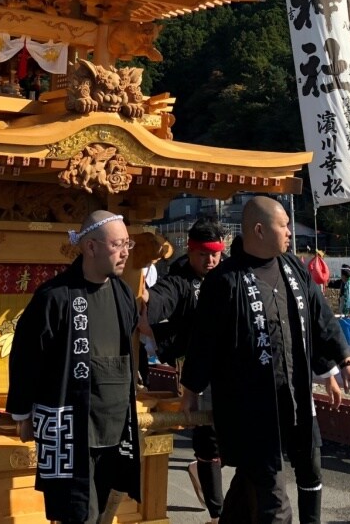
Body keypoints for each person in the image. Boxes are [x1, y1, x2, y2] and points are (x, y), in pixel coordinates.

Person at [181, 197, 350, 524]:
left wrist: (343, 364)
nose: (290, 232)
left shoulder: (294, 269)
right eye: (284, 226)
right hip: (250, 409)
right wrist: (191, 392)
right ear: (259, 230)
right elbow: (203, 343)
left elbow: (320, 321)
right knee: (273, 500)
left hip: (295, 399)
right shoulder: (225, 280)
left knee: (292, 473)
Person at [8, 210, 142, 524]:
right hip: (70, 424)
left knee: (102, 511)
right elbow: (26, 356)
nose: (124, 252)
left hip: (114, 423)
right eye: (117, 245)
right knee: (77, 514)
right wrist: (22, 413)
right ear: (91, 247)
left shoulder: (122, 292)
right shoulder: (54, 296)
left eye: (128, 244)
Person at [143, 218, 226, 521]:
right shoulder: (179, 279)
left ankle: (200, 471)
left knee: (239, 438)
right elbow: (160, 299)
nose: (210, 260)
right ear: (190, 251)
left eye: (215, 253)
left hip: (235, 367)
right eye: (203, 254)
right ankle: (217, 514)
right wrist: (145, 300)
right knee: (209, 441)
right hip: (199, 370)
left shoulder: (231, 273)